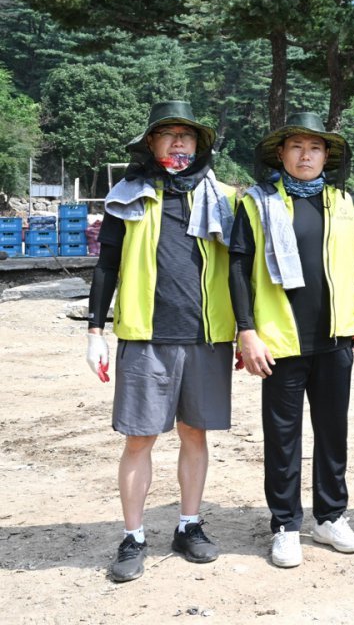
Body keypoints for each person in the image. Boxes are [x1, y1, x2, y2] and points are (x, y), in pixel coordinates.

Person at [86, 100, 238, 583]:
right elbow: (107, 266)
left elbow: (243, 269)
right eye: (168, 135)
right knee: (140, 438)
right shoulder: (127, 195)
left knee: (195, 434)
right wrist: (95, 331)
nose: (178, 143)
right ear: (151, 145)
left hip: (206, 337)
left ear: (199, 146)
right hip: (146, 334)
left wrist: (249, 329)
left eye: (187, 136)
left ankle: (188, 525)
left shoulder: (224, 198)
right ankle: (133, 536)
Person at [228, 112, 354, 568]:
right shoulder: (257, 203)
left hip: (335, 338)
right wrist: (246, 329)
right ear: (281, 154)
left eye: (315, 148)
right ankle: (285, 525)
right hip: (279, 340)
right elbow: (237, 267)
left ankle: (330, 517)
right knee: (283, 438)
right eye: (296, 147)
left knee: (334, 433)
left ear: (326, 156)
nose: (306, 155)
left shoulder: (343, 203)